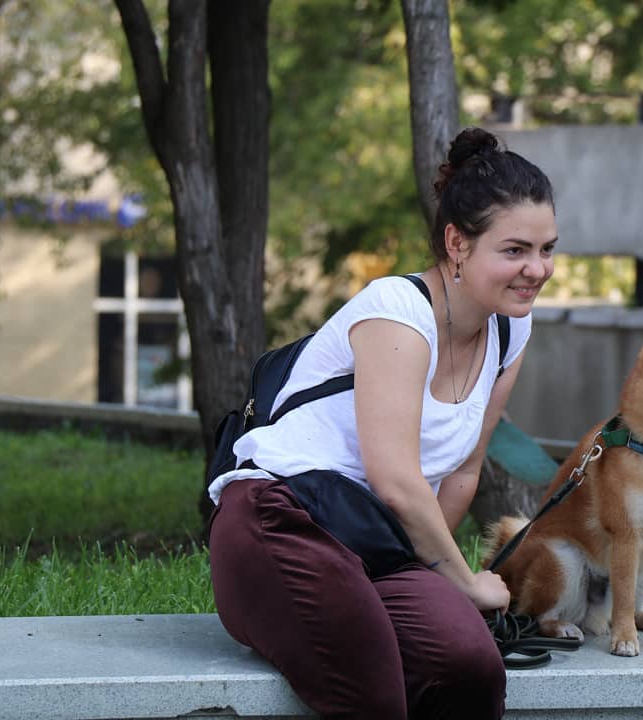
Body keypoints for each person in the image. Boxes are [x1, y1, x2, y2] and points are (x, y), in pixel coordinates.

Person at [206, 126, 558, 719]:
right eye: (515, 250)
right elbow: (395, 479)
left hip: (371, 541)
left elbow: (465, 468)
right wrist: (466, 584)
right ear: (458, 243)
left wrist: (436, 578)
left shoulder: (509, 327)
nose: (537, 269)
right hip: (281, 519)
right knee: (371, 686)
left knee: (469, 667)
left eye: (547, 248)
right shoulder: (397, 313)